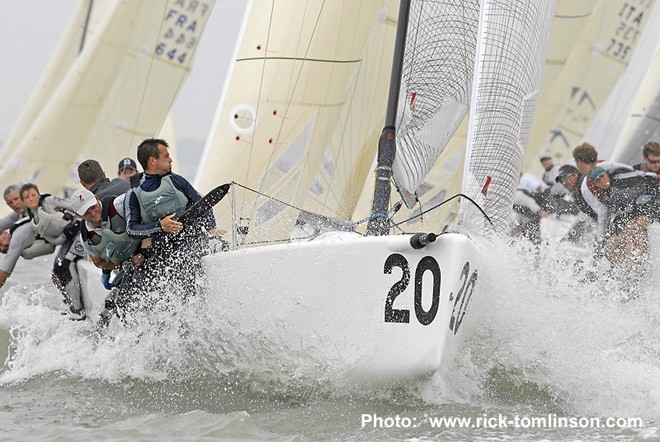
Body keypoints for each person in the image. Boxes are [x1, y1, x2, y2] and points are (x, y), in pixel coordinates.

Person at [121, 138, 216, 311]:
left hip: (193, 243)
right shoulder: (133, 195)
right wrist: (160, 226)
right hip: (163, 254)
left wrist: (211, 227)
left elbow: (203, 206)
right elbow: (132, 229)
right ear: (153, 160)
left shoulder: (178, 181)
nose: (171, 159)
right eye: (166, 156)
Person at [72, 188, 143, 323]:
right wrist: (125, 264)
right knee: (112, 307)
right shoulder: (87, 238)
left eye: (93, 207)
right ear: (78, 215)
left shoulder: (119, 204)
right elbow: (99, 262)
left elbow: (150, 208)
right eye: (86, 212)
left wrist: (146, 243)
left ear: (97, 199)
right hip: (128, 266)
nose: (93, 213)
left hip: (150, 248)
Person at [20, 183, 87, 320]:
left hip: (81, 230)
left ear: (38, 195)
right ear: (24, 201)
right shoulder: (34, 222)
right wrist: (65, 235)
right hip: (70, 238)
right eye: (27, 197)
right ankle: (72, 301)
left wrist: (77, 223)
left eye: (33, 195)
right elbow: (53, 241)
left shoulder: (49, 201)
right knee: (57, 270)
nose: (31, 198)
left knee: (66, 265)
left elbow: (73, 206)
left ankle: (78, 310)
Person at [0, 185, 38, 289]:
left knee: (61, 270)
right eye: (10, 203)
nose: (15, 204)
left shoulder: (21, 232)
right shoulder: (20, 213)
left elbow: (5, 270)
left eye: (16, 199)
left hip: (74, 234)